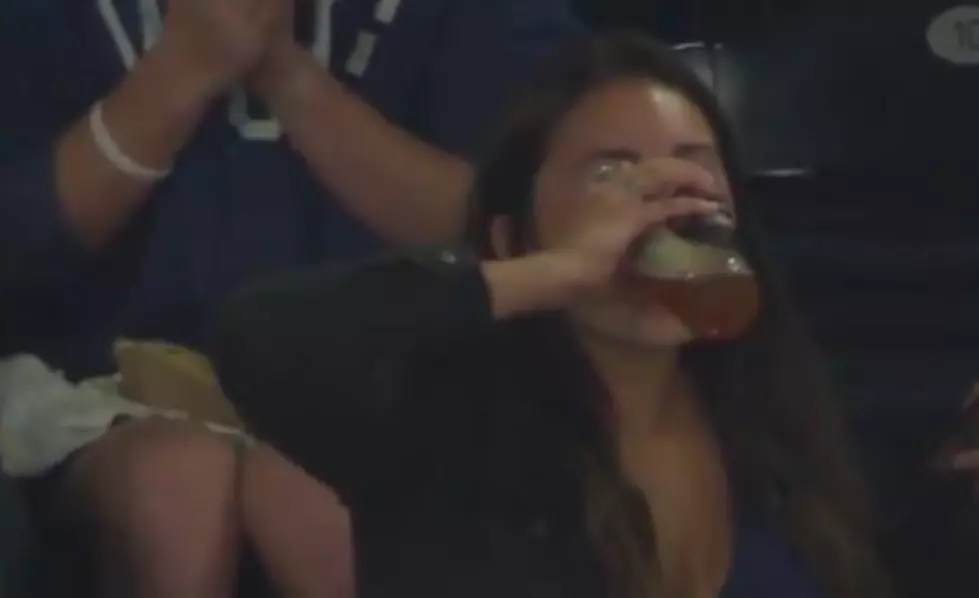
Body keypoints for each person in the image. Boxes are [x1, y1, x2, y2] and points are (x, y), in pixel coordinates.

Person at [212, 32, 893, 598]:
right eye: (609, 174)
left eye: (690, 167)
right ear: (514, 239)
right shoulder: (441, 419)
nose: (659, 202)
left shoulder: (772, 417)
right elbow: (262, 338)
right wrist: (561, 271)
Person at [0, 0, 580, 596]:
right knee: (176, 488)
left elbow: (519, 231)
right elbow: (17, 248)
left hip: (382, 378)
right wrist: (177, 72)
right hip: (93, 380)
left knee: (316, 495)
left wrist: (287, 75)